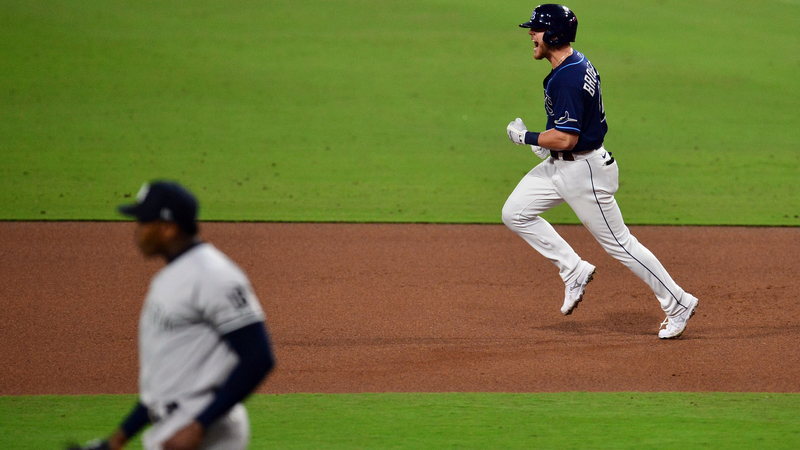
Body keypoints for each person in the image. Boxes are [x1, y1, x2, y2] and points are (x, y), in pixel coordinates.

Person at [502, 4, 698, 339]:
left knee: (621, 245)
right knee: (515, 213)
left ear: (553, 34)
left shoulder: (567, 77)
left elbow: (567, 136)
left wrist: (526, 137)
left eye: (536, 29)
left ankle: (677, 302)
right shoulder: (575, 62)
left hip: (584, 173)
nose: (531, 34)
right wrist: (546, 145)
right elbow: (569, 129)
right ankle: (573, 268)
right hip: (562, 166)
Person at [75, 180, 275, 450]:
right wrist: (115, 441)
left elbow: (259, 357)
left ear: (168, 228)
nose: (138, 231)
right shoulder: (169, 278)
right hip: (171, 426)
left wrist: (199, 425)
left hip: (203, 432)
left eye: (145, 222)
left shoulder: (214, 276)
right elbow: (164, 386)